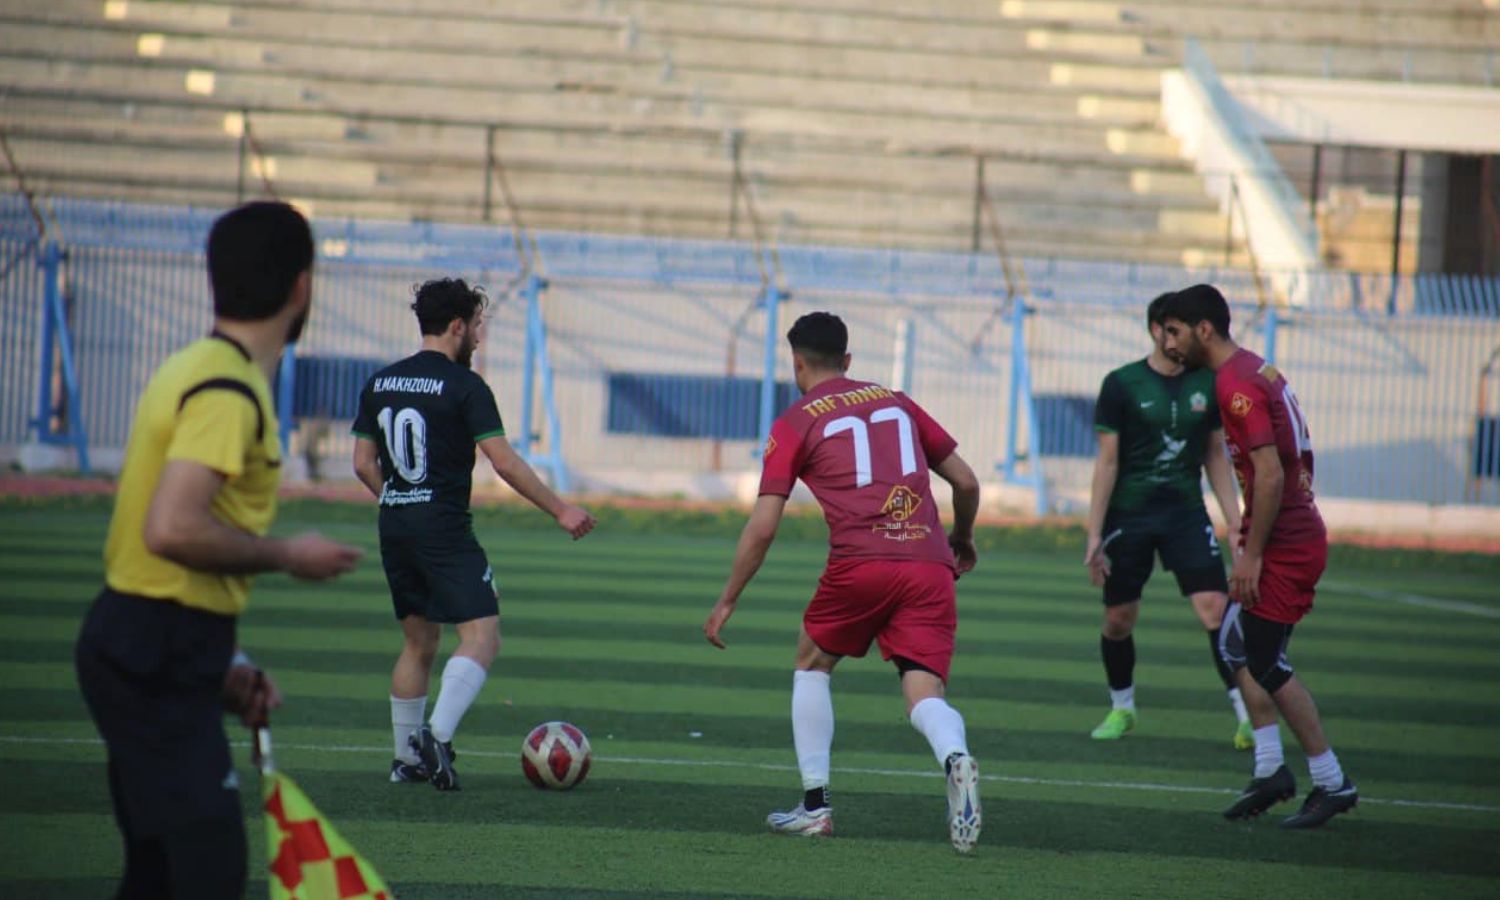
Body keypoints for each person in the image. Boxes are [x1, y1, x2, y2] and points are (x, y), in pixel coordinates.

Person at [74, 201, 364, 899]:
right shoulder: (229, 390)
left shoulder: (196, 366)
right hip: (156, 649)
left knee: (159, 872)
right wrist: (289, 554)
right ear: (302, 286)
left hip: (152, 639)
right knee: (208, 871)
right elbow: (170, 529)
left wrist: (225, 661)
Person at [702, 311, 984, 853]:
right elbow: (966, 481)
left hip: (863, 560)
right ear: (848, 361)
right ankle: (954, 757)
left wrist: (727, 599)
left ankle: (814, 808)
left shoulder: (795, 421)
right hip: (929, 563)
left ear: (797, 364)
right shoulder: (897, 400)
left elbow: (764, 524)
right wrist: (963, 538)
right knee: (923, 690)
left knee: (811, 660)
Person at [351, 278, 596, 792]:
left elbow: (361, 463)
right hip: (442, 525)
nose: (480, 338)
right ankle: (434, 738)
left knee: (418, 643)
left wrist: (398, 501)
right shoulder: (465, 386)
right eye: (478, 327)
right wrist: (560, 509)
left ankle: (405, 761)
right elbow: (502, 461)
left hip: (395, 523)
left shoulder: (380, 382)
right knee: (482, 634)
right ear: (458, 326)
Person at [1160, 284, 1358, 829]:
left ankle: (1332, 780)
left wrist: (1252, 555)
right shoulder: (1252, 369)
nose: (1168, 341)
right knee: (1233, 643)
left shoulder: (1236, 384)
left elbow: (1269, 473)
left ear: (1203, 329)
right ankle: (1271, 768)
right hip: (1285, 534)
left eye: (1174, 331)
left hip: (1288, 543)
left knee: (1265, 660)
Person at [1084, 293, 1250, 748]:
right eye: (1170, 328)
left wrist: (1234, 520)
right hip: (1130, 516)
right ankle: (1122, 709)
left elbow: (1215, 452)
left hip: (1185, 514)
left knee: (1216, 608)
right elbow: (1108, 461)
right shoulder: (1121, 384)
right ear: (1156, 330)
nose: (1176, 338)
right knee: (1119, 617)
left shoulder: (1207, 383)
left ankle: (1246, 715)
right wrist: (1095, 533)